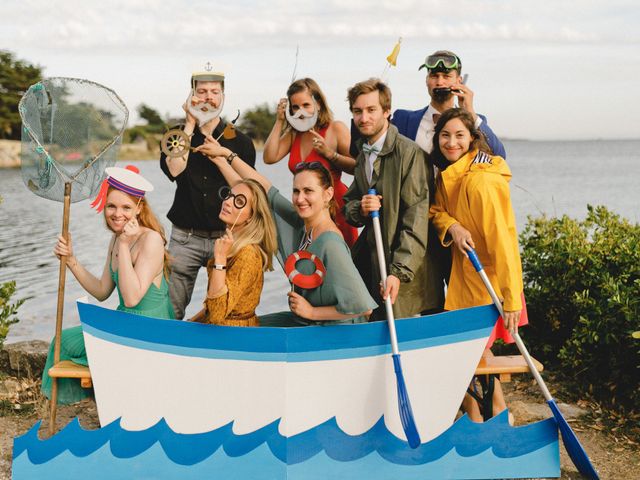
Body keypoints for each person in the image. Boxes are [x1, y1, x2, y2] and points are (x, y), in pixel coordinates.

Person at [195, 138, 377, 326]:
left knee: (250, 331)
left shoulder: (330, 242)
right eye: (296, 191)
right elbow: (259, 192)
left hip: (331, 331)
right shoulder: (301, 223)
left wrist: (312, 312)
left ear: (328, 194)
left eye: (308, 191)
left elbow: (363, 307)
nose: (300, 199)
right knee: (250, 325)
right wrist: (223, 157)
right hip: (304, 321)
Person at [42, 166, 174, 405]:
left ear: (139, 208)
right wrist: (71, 260)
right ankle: (99, 402)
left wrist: (124, 245)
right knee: (62, 341)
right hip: (124, 322)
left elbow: (132, 297)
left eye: (126, 207)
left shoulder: (151, 240)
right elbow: (103, 291)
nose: (117, 213)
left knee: (87, 348)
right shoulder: (116, 238)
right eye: (111, 206)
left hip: (149, 329)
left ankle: (112, 403)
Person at [428, 108, 528, 422]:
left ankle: (484, 414)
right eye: (445, 135)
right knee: (472, 351)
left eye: (459, 135)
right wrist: (453, 226)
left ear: (473, 138)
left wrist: (511, 298)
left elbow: (504, 241)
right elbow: (435, 210)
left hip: (490, 283)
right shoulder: (451, 172)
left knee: (466, 350)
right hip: (466, 279)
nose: (451, 142)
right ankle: (492, 411)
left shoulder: (481, 181)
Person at [160, 67, 256, 319]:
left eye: (214, 92)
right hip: (185, 237)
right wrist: (190, 124)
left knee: (224, 306)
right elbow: (174, 169)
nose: (208, 98)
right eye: (201, 92)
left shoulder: (241, 142)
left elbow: (248, 190)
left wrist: (222, 158)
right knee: (172, 308)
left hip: (226, 237)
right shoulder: (176, 135)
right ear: (191, 96)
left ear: (223, 96)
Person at [343, 78, 443, 320]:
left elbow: (416, 220)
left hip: (409, 277)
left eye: (371, 110)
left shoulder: (410, 154)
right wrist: (362, 208)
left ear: (387, 112)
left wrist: (398, 272)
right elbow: (349, 206)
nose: (363, 118)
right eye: (358, 111)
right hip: (376, 265)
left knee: (409, 342)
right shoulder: (363, 153)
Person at [262, 78, 358, 246]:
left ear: (318, 103)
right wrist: (279, 120)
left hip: (337, 204)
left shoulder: (335, 129)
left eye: (306, 105)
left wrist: (330, 154)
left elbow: (359, 167)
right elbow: (269, 157)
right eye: (295, 107)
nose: (301, 112)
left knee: (345, 258)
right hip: (307, 206)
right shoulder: (294, 134)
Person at [188, 179, 277, 326]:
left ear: (251, 216)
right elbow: (213, 306)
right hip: (223, 328)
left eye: (239, 201)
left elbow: (217, 314)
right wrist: (192, 322)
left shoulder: (247, 254)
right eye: (229, 195)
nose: (228, 202)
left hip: (233, 335)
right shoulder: (232, 245)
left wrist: (220, 259)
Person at [392, 50, 506, 158]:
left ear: (459, 81)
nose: (440, 82)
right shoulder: (403, 119)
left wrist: (470, 113)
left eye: (446, 76)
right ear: (427, 80)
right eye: (434, 76)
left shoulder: (474, 121)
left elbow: (499, 156)